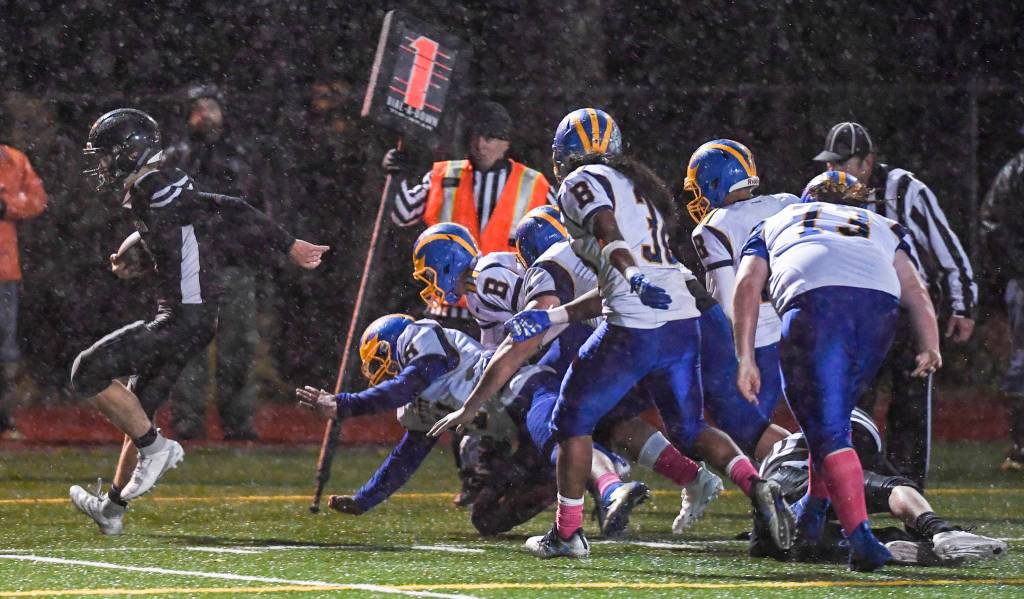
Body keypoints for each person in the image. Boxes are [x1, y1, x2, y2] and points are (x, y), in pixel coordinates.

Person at [504, 108, 793, 559]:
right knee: (694, 426)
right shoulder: (639, 186)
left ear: (565, 157)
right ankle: (756, 485)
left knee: (572, 417)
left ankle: (568, 532)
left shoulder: (580, 188)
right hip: (688, 315)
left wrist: (630, 278)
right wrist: (560, 316)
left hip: (641, 321)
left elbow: (607, 233)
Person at [68, 108, 328, 535]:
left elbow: (229, 206)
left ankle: (157, 449)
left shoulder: (156, 185)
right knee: (138, 405)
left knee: (86, 371)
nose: (101, 164)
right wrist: (140, 250)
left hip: (182, 318)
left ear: (128, 152)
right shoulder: (156, 183)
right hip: (193, 316)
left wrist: (289, 245)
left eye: (106, 155)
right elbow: (189, 230)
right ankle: (112, 508)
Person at [733, 170, 942, 571]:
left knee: (826, 427)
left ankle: (860, 537)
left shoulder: (777, 221)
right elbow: (915, 289)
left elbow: (747, 284)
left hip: (817, 304)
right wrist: (930, 342)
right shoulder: (881, 224)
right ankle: (813, 510)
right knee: (830, 420)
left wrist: (744, 356)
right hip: (880, 313)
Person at [411, 221, 660, 537]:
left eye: (429, 273)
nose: (429, 284)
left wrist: (498, 380)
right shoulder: (476, 295)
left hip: (573, 332)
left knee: (549, 414)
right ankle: (603, 480)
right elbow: (493, 347)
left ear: (446, 260)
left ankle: (599, 475)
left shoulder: (486, 276)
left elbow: (539, 316)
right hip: (575, 335)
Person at [295, 313, 628, 537]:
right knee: (486, 518)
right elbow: (405, 458)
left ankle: (608, 476)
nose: (382, 371)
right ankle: (556, 482)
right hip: (511, 432)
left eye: (381, 359)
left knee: (547, 435)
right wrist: (364, 499)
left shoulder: (423, 338)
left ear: (395, 342)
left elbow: (406, 384)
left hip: (520, 390)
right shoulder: (415, 405)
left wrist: (343, 404)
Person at [813, 121, 977, 487]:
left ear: (866, 163)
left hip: (906, 309)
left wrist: (962, 305)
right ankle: (859, 483)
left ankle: (909, 489)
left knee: (912, 403)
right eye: (829, 164)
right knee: (855, 402)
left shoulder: (905, 189)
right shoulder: (823, 193)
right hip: (857, 311)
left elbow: (946, 248)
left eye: (842, 163)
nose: (833, 172)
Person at [755, 407, 1007, 565]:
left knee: (806, 545)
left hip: (771, 508)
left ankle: (886, 543)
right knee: (893, 488)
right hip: (812, 478)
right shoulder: (842, 432)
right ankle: (939, 530)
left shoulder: (782, 445)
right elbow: (892, 486)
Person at [384, 100, 553, 325]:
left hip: (504, 311)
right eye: (476, 136)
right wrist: (396, 175)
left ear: (506, 143)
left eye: (490, 138)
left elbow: (563, 232)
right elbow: (402, 214)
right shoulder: (444, 175)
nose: (481, 145)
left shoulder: (534, 185)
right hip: (446, 310)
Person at [685, 139, 800, 460]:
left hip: (756, 339)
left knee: (745, 430)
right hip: (798, 327)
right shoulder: (788, 204)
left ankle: (810, 481)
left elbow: (727, 298)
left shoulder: (712, 227)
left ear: (715, 182)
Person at [164, 83, 261, 441]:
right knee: (189, 345)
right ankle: (188, 419)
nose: (206, 114)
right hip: (191, 261)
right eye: (199, 107)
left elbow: (255, 205)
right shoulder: (175, 158)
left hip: (233, 262)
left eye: (212, 107)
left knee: (239, 346)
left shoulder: (241, 156)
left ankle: (238, 421)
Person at [981, 145, 1024, 469]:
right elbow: (993, 224)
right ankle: (1021, 446)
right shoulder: (1017, 168)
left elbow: (992, 223)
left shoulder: (1015, 168)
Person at [0, 139, 47, 437]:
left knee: (5, 346)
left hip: (5, 269)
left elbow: (38, 200)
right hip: (6, 266)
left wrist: (7, 205)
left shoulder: (14, 160)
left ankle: (3, 419)